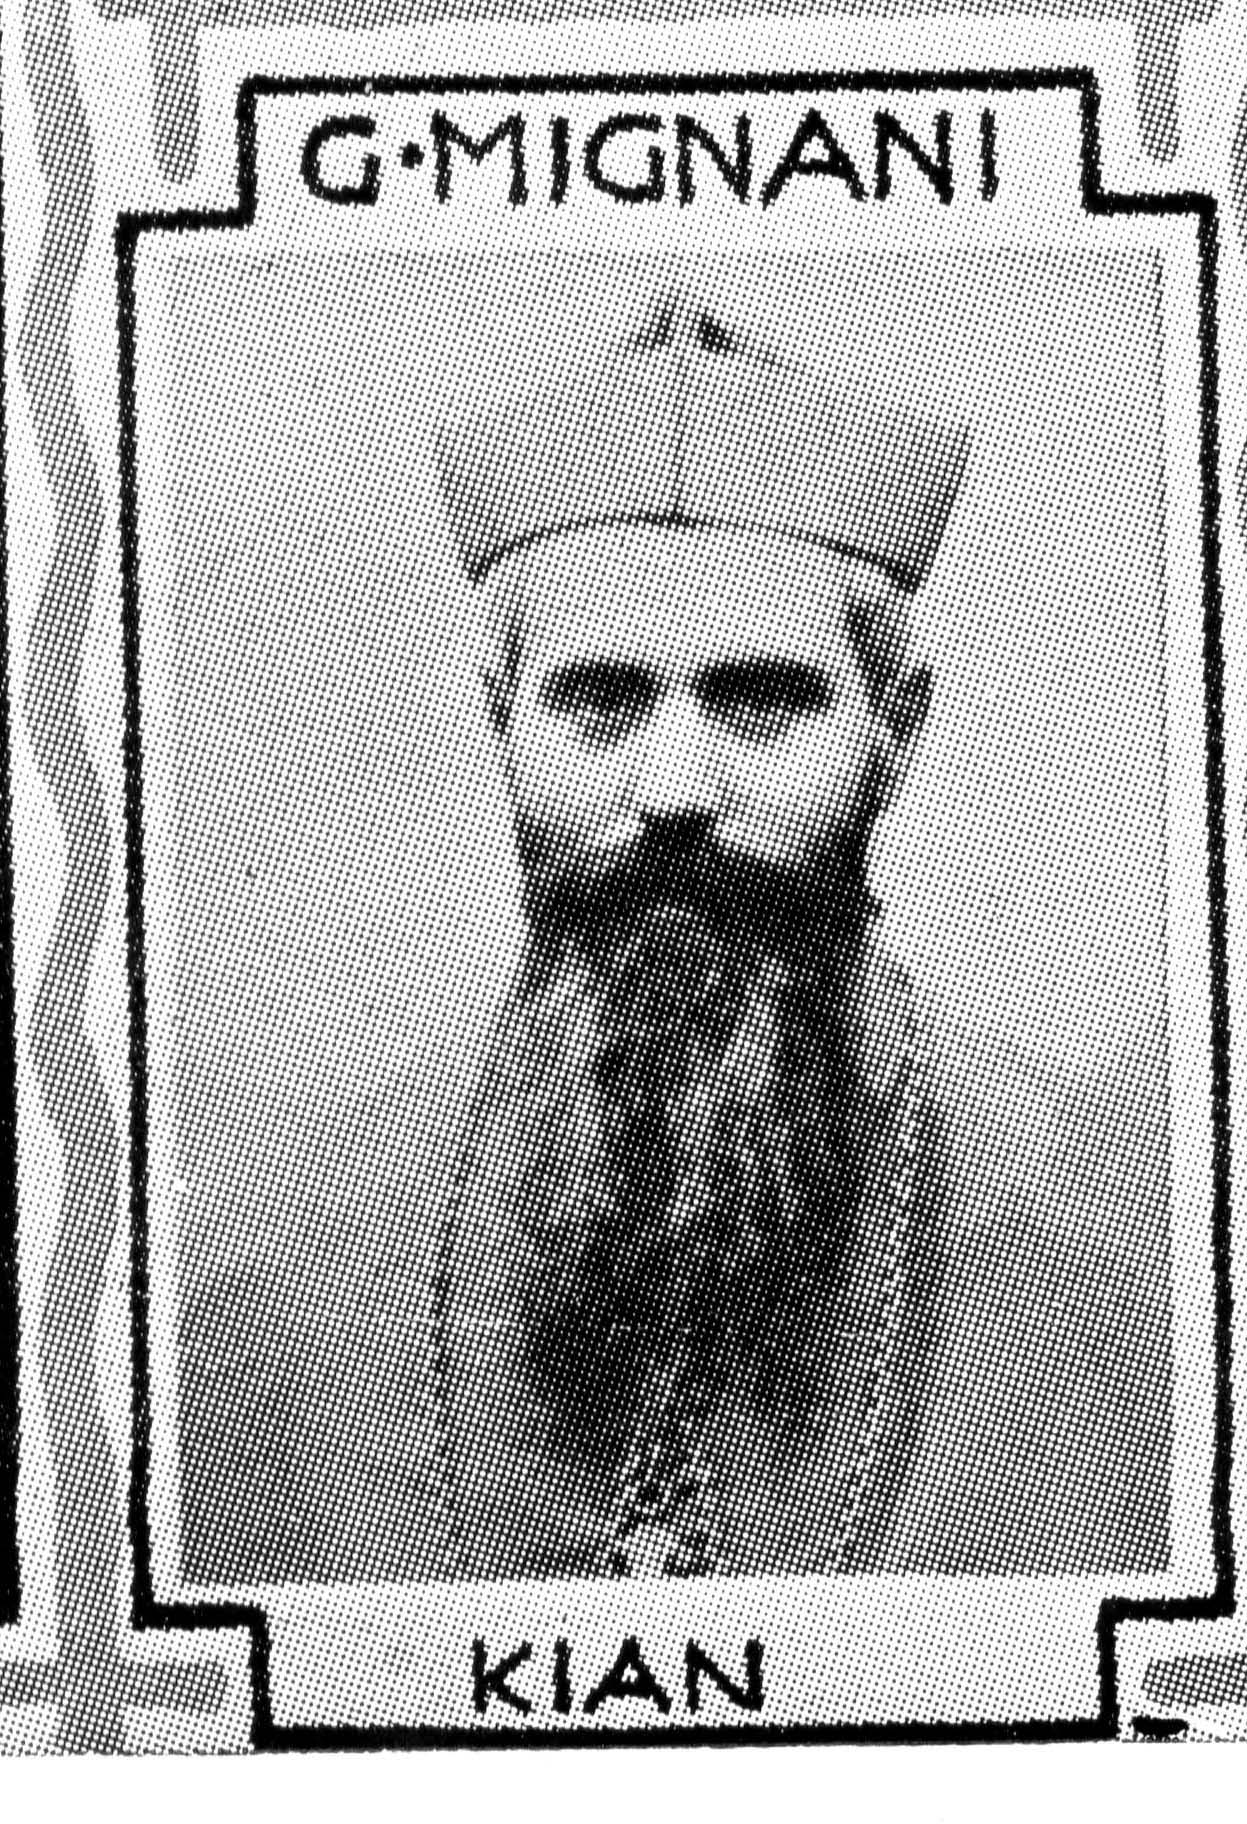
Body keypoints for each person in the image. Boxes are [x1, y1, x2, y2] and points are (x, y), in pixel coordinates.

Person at [430, 295, 1173, 1579]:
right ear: (497, 721)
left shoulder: (1126, 1273)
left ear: (898, 731)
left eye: (763, 701)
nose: (672, 789)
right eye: (598, 702)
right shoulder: (276, 1274)